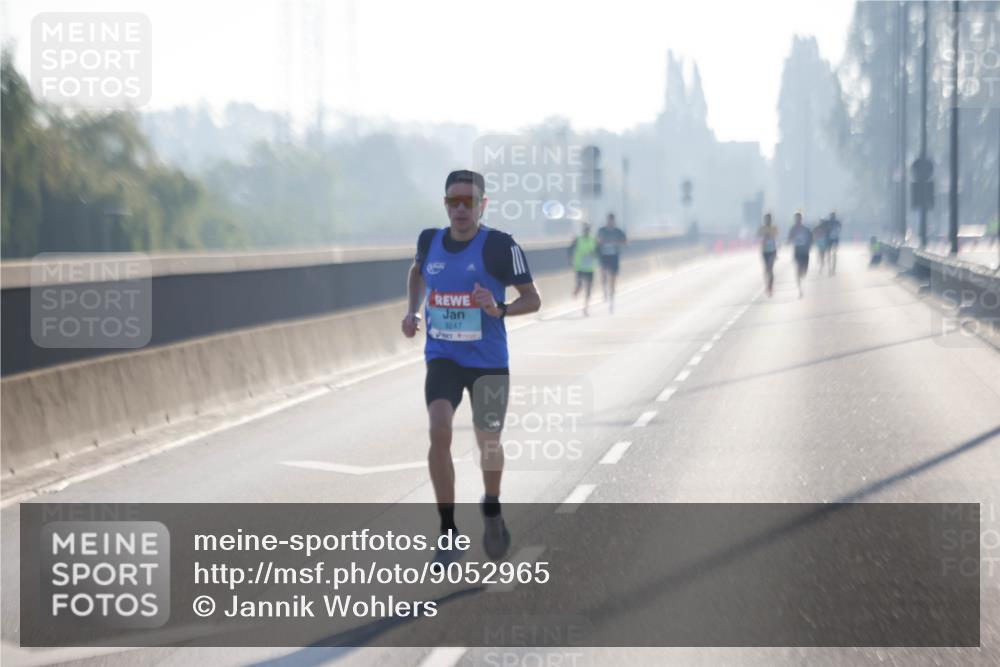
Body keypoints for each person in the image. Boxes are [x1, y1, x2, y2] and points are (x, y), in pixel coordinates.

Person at [402, 169, 541, 567]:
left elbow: (533, 299)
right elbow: (416, 272)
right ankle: (447, 532)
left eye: (468, 201)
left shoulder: (500, 246)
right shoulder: (429, 240)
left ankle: (492, 508)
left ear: (483, 204)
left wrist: (497, 308)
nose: (460, 209)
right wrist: (412, 311)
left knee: (488, 442)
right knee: (438, 430)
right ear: (445, 204)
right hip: (444, 357)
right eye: (453, 201)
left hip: (489, 363)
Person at [597, 212, 627, 313]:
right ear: (607, 220)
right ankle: (605, 290)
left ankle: (611, 292)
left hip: (614, 256)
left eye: (612, 220)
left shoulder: (618, 231)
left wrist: (616, 243)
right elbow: (596, 241)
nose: (611, 222)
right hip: (604, 256)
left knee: (613, 277)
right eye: (609, 220)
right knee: (604, 273)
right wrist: (600, 242)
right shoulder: (602, 230)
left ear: (614, 221)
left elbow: (625, 241)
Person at [569, 222, 599, 316]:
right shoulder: (578, 239)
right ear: (583, 230)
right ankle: (575, 293)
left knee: (589, 289)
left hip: (590, 268)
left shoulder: (593, 240)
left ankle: (585, 308)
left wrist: (593, 254)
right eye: (585, 229)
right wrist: (570, 260)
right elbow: (570, 250)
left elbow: (598, 252)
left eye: (588, 229)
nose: (586, 231)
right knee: (580, 285)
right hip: (580, 267)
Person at [787, 212, 813, 298]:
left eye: (799, 218)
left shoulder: (806, 229)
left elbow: (811, 239)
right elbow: (789, 239)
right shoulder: (793, 229)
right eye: (796, 218)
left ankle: (801, 276)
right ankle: (800, 289)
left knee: (804, 271)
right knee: (798, 270)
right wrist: (789, 241)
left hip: (805, 252)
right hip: (797, 252)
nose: (797, 220)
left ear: (801, 219)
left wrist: (809, 246)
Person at [757, 213, 778, 297]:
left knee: (770, 268)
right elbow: (758, 235)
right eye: (766, 219)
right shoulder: (762, 228)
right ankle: (768, 284)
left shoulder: (774, 228)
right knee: (767, 270)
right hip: (764, 251)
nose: (767, 220)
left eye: (769, 219)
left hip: (772, 250)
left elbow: (775, 235)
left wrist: (769, 235)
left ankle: (770, 286)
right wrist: (763, 236)